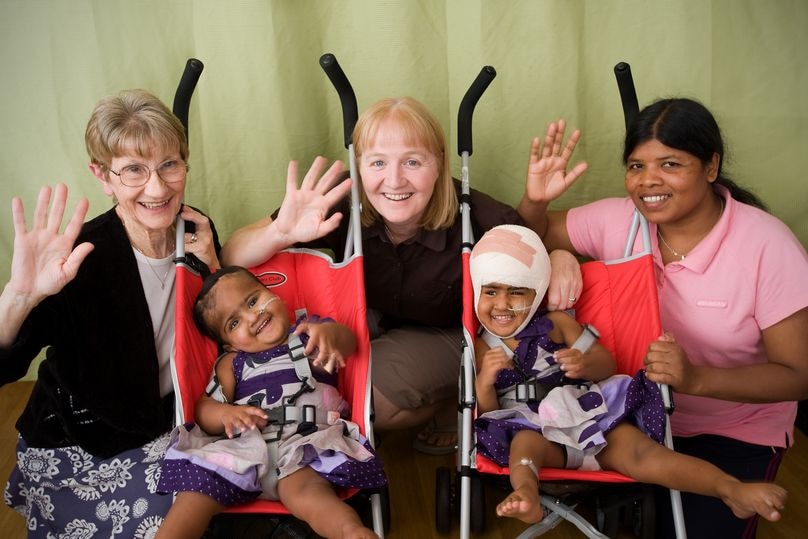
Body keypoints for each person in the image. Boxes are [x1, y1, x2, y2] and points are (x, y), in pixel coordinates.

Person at [221, 97, 581, 455]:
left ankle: (449, 405)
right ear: (358, 166)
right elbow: (232, 254)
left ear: (438, 163)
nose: (394, 180)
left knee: (366, 393)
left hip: (450, 330)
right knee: (314, 359)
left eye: (412, 161)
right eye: (377, 162)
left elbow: (525, 248)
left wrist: (558, 254)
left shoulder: (474, 212)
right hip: (376, 315)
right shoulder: (343, 199)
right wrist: (280, 233)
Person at [517, 98, 808, 537]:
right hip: (630, 419)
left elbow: (798, 375)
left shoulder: (767, 246)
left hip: (730, 431)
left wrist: (697, 380)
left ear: (711, 167)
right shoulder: (622, 220)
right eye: (636, 166)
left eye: (670, 164)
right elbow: (523, 240)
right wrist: (547, 229)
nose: (648, 181)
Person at [0, 89, 222, 537]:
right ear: (103, 177)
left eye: (169, 165)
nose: (157, 188)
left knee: (222, 489)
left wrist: (219, 264)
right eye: (134, 170)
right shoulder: (78, 257)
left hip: (160, 426)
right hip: (79, 446)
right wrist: (20, 299)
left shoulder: (196, 232)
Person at [470, 224, 787, 526]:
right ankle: (527, 493)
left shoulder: (559, 323)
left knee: (643, 453)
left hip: (590, 415)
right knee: (523, 446)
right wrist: (484, 380)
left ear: (537, 292)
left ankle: (728, 488)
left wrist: (583, 363)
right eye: (491, 292)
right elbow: (488, 412)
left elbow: (605, 363)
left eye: (517, 293)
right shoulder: (484, 348)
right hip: (535, 431)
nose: (502, 304)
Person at [156, 266, 386, 539]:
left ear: (273, 294)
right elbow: (204, 408)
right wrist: (225, 414)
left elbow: (348, 343)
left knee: (309, 495)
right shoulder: (232, 363)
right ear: (229, 344)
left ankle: (351, 532)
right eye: (234, 323)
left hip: (304, 446)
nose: (253, 316)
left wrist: (332, 336)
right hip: (244, 450)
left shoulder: (308, 335)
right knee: (195, 494)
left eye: (253, 301)